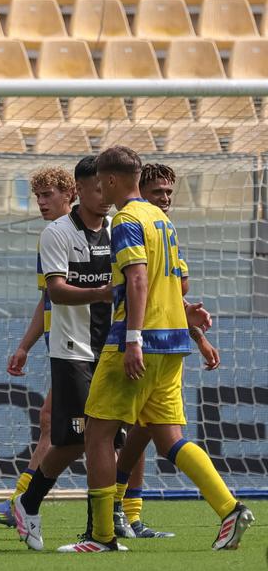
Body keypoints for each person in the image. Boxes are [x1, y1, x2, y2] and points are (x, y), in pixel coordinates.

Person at [58, 146, 254, 553]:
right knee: (169, 438)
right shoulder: (161, 220)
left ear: (110, 180)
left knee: (97, 432)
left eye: (99, 181)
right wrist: (187, 318)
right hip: (172, 343)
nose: (98, 188)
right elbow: (175, 283)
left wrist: (132, 340)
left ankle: (101, 537)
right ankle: (230, 508)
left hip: (139, 342)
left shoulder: (127, 219)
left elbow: (138, 281)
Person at [8, 156, 116, 550]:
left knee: (97, 440)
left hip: (111, 348)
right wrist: (102, 292)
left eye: (110, 188)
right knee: (76, 438)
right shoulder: (57, 234)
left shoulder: (119, 232)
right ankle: (87, 522)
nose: (106, 196)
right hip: (71, 350)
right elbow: (52, 292)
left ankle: (96, 524)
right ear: (81, 190)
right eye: (99, 188)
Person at [113, 163, 221, 539]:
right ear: (137, 188)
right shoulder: (130, 224)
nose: (165, 198)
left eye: (169, 192)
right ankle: (30, 499)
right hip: (122, 338)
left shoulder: (161, 230)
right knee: (102, 429)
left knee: (140, 431)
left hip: (145, 340)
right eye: (158, 191)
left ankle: (124, 514)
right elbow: (143, 283)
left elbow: (173, 288)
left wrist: (198, 334)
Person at [0, 167, 75, 527]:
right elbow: (47, 298)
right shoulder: (49, 237)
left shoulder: (79, 234)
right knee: (65, 425)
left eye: (48, 195)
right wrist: (25, 346)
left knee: (88, 429)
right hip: (63, 346)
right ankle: (22, 501)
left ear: (69, 194)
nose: (42, 203)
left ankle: (21, 501)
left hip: (85, 349)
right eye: (38, 196)